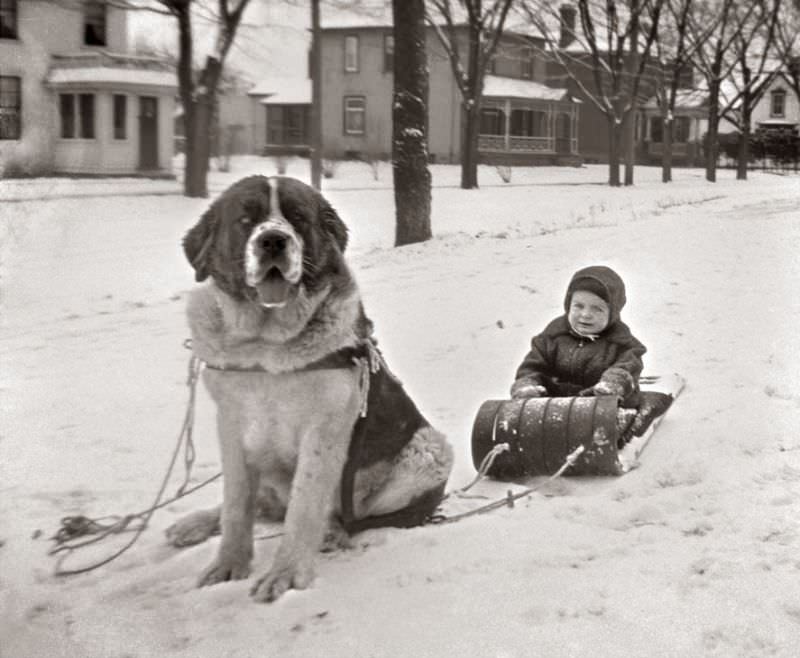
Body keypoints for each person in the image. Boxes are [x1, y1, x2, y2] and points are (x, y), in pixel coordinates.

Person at [510, 265, 646, 409]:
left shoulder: (621, 343)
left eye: (597, 309)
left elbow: (626, 367)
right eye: (579, 306)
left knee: (610, 409)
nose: (585, 314)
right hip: (555, 404)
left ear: (612, 313)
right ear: (568, 306)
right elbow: (533, 367)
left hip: (601, 405)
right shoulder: (552, 338)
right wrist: (528, 384)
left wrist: (613, 382)